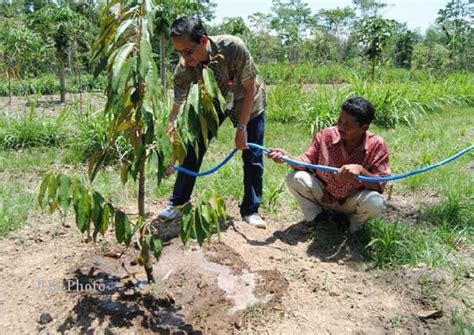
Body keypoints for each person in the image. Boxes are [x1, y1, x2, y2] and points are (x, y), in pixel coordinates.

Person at [158, 15, 267, 229]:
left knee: (252, 155)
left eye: (188, 51)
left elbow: (249, 87)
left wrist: (242, 128)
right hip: (213, 104)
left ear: (204, 41)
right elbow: (177, 110)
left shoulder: (233, 47)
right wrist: (170, 147)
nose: (185, 57)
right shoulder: (184, 68)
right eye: (179, 52)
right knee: (193, 148)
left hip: (247, 101)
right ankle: (177, 204)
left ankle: (251, 209)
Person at [268, 96, 391, 233]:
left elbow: (379, 185)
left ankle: (354, 229)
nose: (341, 127)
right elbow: (305, 163)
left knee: (376, 202)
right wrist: (286, 157)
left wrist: (360, 171)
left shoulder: (377, 145)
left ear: (364, 128)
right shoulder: (326, 135)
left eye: (348, 125)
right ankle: (316, 219)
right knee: (295, 178)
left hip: (353, 200)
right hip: (325, 195)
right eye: (340, 120)